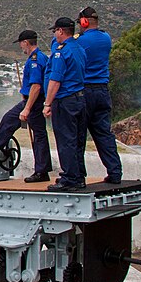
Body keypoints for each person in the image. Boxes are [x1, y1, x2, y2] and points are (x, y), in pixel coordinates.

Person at [0, 30, 52, 182]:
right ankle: (42, 170)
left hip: (33, 102)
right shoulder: (40, 57)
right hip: (33, 101)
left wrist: (27, 108)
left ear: (25, 42)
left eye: (21, 44)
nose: (21, 48)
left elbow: (36, 86)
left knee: (13, 121)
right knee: (38, 134)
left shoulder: (35, 60)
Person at [75, 7, 123, 184]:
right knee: (104, 135)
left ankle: (79, 176)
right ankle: (115, 172)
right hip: (103, 90)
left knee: (79, 135)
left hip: (85, 90)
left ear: (84, 21)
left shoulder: (80, 41)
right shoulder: (106, 38)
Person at [43, 17, 87, 192]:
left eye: (55, 31)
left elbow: (55, 80)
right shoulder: (79, 48)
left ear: (61, 31)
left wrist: (47, 103)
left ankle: (69, 178)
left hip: (65, 100)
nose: (55, 34)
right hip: (80, 98)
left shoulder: (61, 52)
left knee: (66, 140)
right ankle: (78, 175)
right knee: (78, 140)